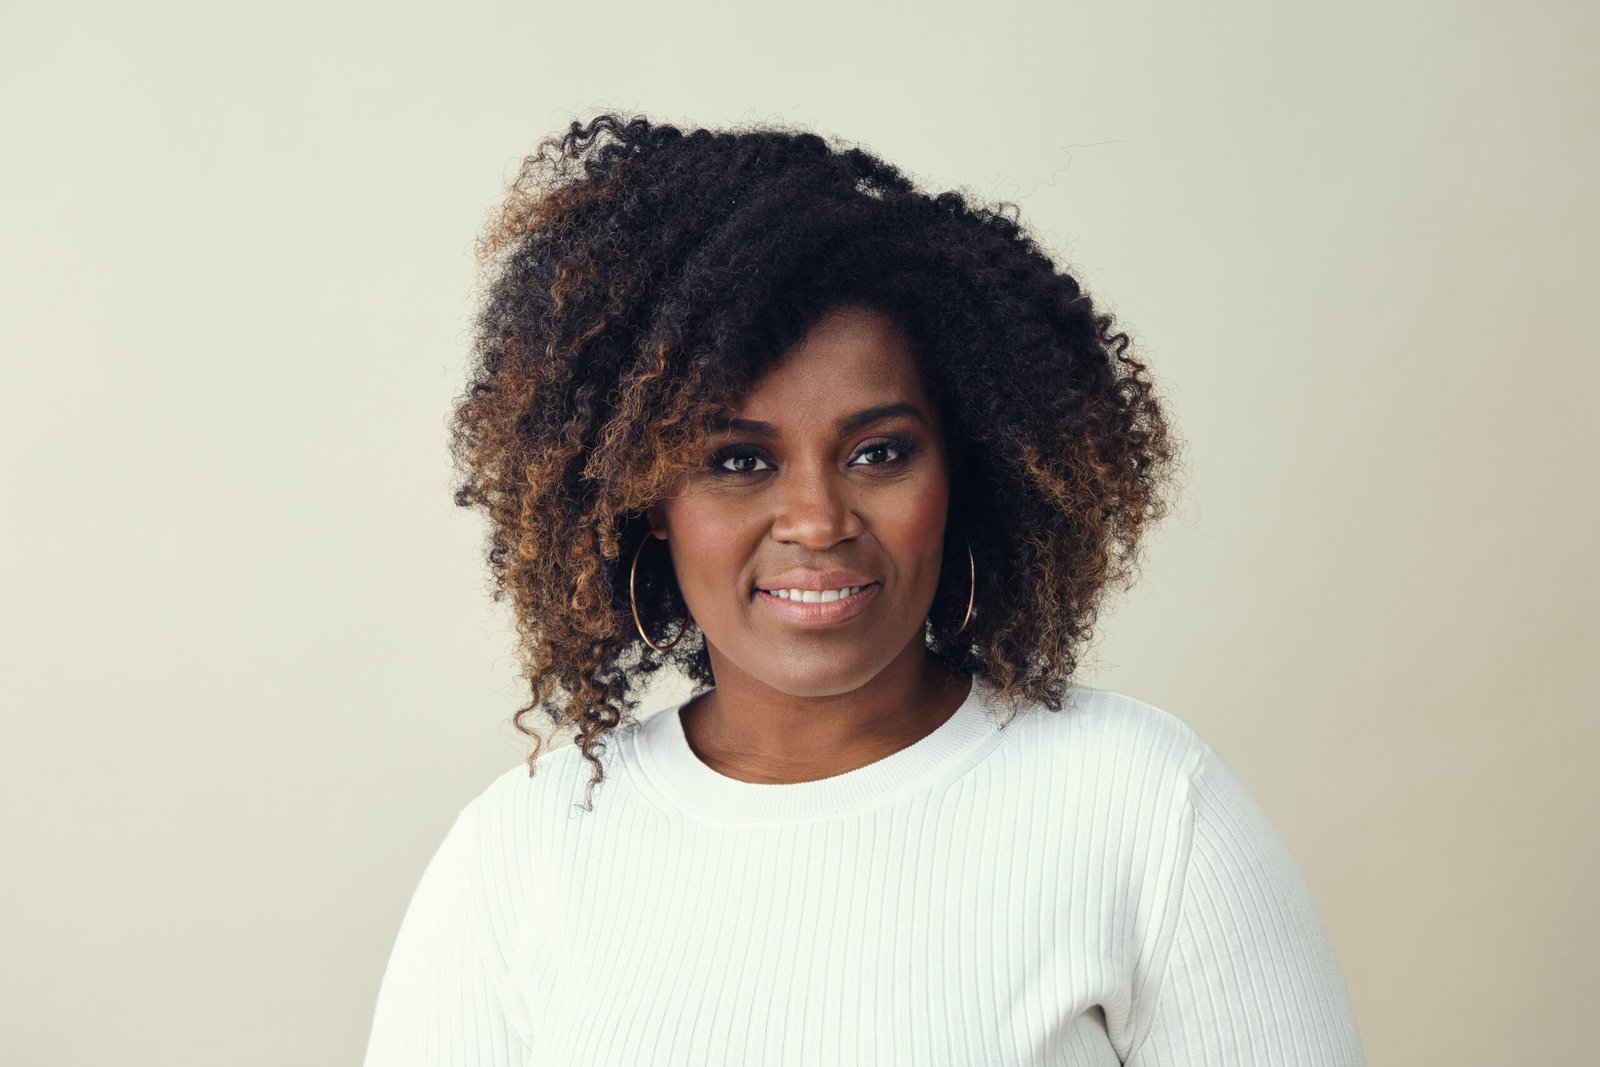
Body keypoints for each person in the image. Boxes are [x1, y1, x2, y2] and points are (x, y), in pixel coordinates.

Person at [361, 113, 1366, 1065]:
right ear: (645, 499)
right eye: (738, 461)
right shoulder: (517, 857)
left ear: (962, 469)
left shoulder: (1146, 808)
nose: (817, 519)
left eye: (878, 451)